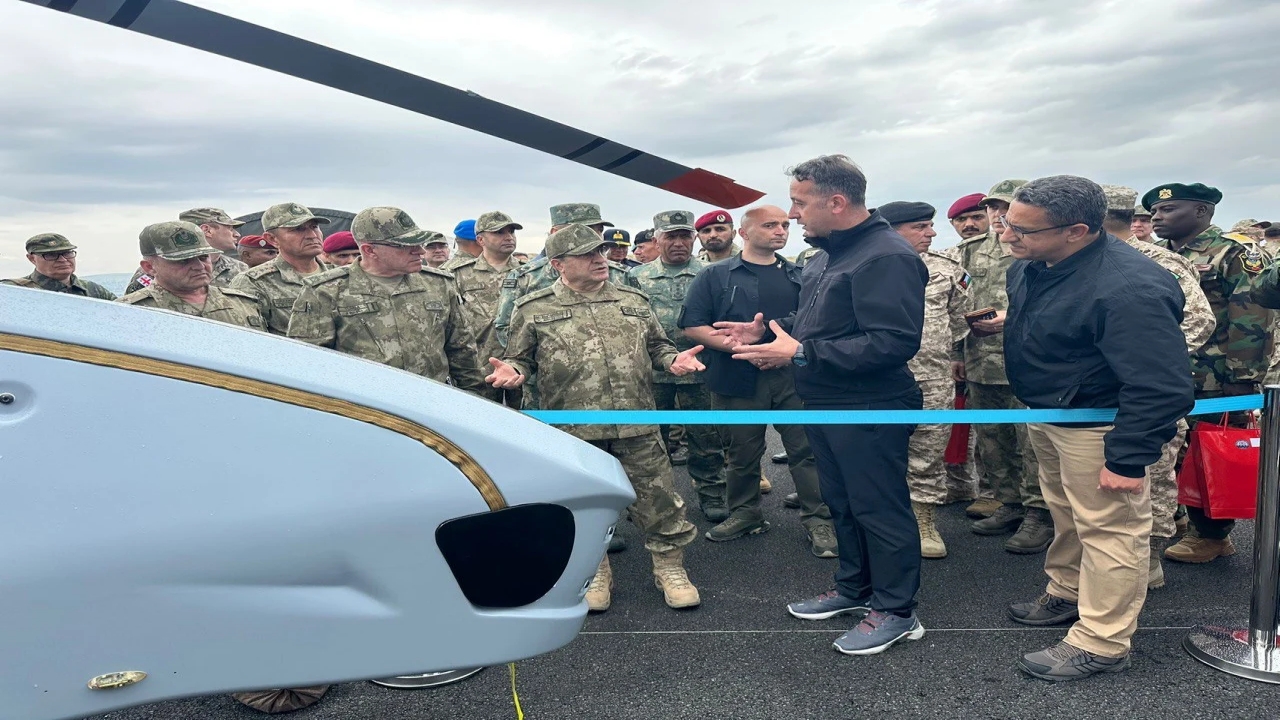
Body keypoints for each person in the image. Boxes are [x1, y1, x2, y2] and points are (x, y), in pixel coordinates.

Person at [715, 154, 928, 656]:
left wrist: (802, 352)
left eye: (798, 201)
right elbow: (821, 319)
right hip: (827, 402)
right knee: (844, 503)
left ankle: (897, 610)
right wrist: (768, 332)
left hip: (870, 406)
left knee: (880, 508)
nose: (792, 214)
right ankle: (855, 589)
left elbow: (894, 342)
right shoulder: (829, 254)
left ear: (836, 201)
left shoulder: (885, 256)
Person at [998, 175, 1194, 681]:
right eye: (1008, 223)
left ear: (1076, 230)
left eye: (1023, 229)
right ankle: (1066, 591)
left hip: (1099, 426)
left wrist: (1127, 457)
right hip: (1050, 414)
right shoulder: (1035, 266)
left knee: (1111, 531)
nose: (1007, 236)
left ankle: (1103, 640)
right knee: (1067, 513)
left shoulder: (1129, 286)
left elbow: (1161, 385)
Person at [487, 224, 706, 612]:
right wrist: (514, 372)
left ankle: (670, 568)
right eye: (587, 255)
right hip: (574, 431)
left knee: (660, 501)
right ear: (558, 264)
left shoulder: (633, 299)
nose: (599, 260)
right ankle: (595, 570)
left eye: (600, 252)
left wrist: (674, 361)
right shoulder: (533, 309)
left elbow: (659, 346)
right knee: (584, 505)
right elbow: (519, 357)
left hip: (635, 422)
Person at [680, 205, 838, 558]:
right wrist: (739, 345)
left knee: (807, 450)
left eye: (784, 225)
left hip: (793, 376)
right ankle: (745, 514)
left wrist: (770, 341)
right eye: (770, 225)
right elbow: (693, 324)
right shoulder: (715, 275)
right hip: (736, 374)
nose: (780, 231)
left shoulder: (801, 275)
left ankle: (818, 519)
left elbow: (817, 321)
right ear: (745, 233)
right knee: (741, 453)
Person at [1147, 182, 1274, 564]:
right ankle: (1180, 516)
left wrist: (1242, 374)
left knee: (1210, 453)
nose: (1157, 217)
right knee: (1174, 450)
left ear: (1202, 212)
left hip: (1217, 374)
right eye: (1154, 211)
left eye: (1168, 210)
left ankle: (1214, 535)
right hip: (1171, 369)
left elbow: (1252, 316)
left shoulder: (1235, 252)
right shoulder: (1160, 255)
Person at [286, 206, 492, 398]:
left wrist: (475, 402)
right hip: (366, 408)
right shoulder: (325, 291)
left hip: (431, 403)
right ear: (369, 250)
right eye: (406, 246)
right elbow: (308, 365)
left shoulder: (438, 284)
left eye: (419, 244)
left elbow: (462, 353)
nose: (420, 252)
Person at [956, 179, 1053, 557]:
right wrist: (956, 355)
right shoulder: (969, 252)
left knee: (1032, 443)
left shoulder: (1041, 249)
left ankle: (1039, 513)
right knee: (993, 439)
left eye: (1004, 208)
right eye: (992, 209)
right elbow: (955, 302)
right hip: (982, 359)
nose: (997, 216)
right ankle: (1009, 502)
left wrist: (1012, 318)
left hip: (1030, 361)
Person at [877, 201, 971, 560]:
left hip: (932, 378)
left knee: (928, 452)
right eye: (920, 227)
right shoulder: (869, 266)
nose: (931, 233)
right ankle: (884, 520)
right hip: (880, 379)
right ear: (892, 230)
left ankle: (924, 521)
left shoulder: (948, 270)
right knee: (881, 452)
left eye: (930, 225)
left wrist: (940, 353)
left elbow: (959, 321)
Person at [626, 211, 727, 521]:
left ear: (693, 238)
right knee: (650, 442)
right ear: (657, 240)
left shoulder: (711, 273)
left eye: (685, 236)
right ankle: (652, 501)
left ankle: (712, 495)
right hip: (655, 373)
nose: (679, 242)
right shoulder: (638, 276)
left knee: (706, 438)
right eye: (671, 236)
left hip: (701, 370)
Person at [493, 203, 628, 349]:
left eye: (599, 230)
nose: (592, 237)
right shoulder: (526, 277)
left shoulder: (619, 274)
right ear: (554, 232)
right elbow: (506, 327)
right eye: (581, 230)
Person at [117, 221, 264, 329]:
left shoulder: (243, 304)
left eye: (203, 257)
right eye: (183, 261)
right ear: (149, 267)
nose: (199, 267)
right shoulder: (128, 313)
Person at [451, 211, 527, 407]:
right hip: (477, 368)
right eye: (499, 232)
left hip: (521, 367)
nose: (508, 237)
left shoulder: (528, 274)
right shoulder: (458, 275)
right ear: (480, 239)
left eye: (511, 231)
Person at [228, 202, 331, 334]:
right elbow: (249, 339)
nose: (312, 235)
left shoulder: (340, 276)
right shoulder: (253, 282)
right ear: (272, 239)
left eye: (314, 227)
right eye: (298, 229)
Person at [125, 207, 248, 294]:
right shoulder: (155, 271)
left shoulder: (240, 269)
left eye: (203, 258)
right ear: (207, 230)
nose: (236, 234)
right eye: (230, 228)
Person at [2, 234, 116, 299]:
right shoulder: (13, 290)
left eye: (67, 253)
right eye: (51, 255)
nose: (62, 260)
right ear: (32, 258)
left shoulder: (93, 290)